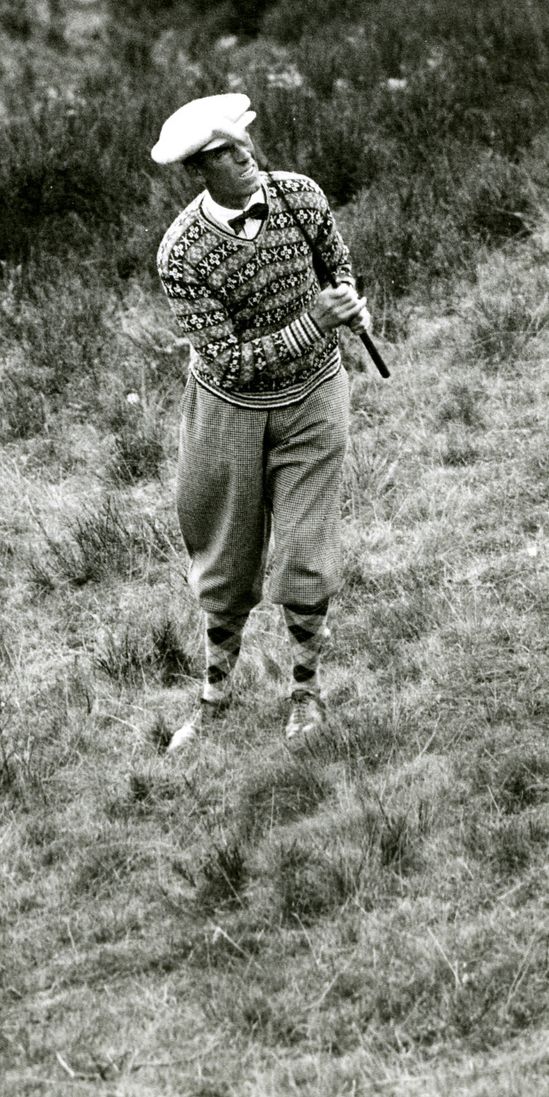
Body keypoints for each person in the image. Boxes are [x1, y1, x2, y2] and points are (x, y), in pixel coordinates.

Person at [149, 91, 372, 750]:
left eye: (244, 144)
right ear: (201, 170)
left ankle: (306, 692)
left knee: (305, 558)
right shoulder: (182, 254)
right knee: (224, 562)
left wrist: (353, 308)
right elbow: (236, 361)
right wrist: (317, 322)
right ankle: (215, 697)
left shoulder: (303, 198)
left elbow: (339, 271)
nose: (245, 158)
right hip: (229, 413)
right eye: (224, 154)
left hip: (314, 398)